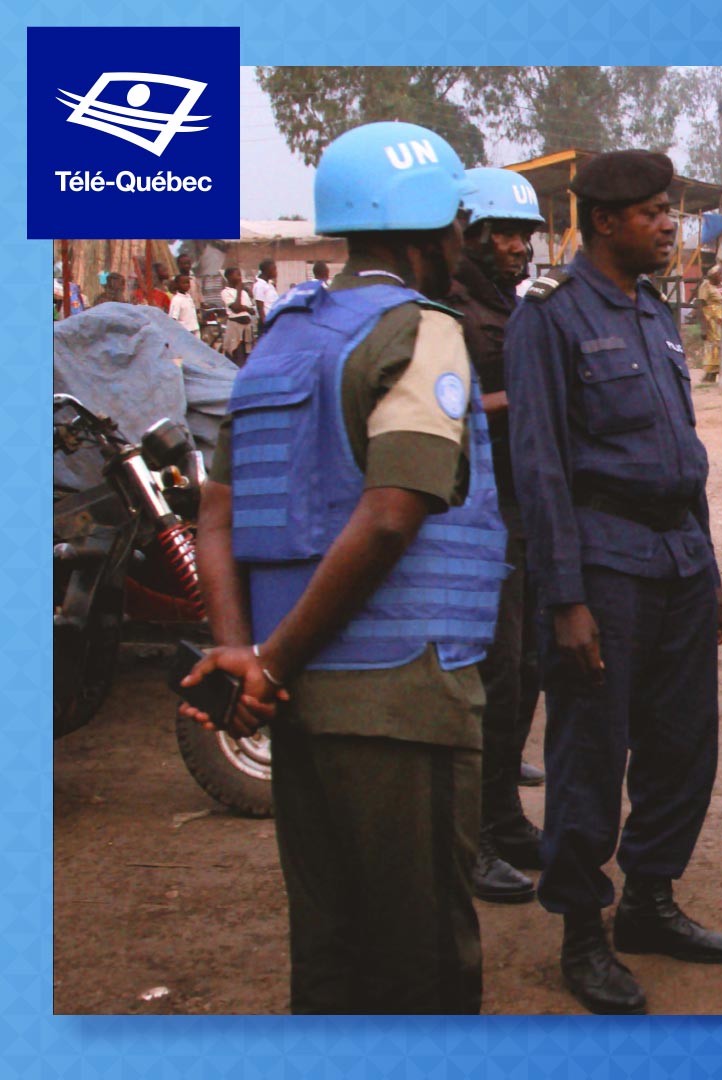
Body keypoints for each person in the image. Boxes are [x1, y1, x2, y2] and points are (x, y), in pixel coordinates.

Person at [178, 120, 500, 1013]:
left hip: (299, 704)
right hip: (400, 695)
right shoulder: (420, 331)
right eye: (457, 226)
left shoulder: (284, 336)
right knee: (421, 961)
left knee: (328, 954)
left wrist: (250, 660)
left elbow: (219, 510)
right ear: (428, 228)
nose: (461, 245)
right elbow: (394, 515)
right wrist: (268, 663)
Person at [506, 149, 722, 1016]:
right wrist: (564, 599)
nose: (668, 226)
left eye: (668, 211)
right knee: (590, 754)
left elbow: (685, 454)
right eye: (651, 213)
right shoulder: (552, 317)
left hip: (677, 558)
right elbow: (540, 466)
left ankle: (649, 901)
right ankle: (581, 933)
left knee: (684, 744)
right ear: (604, 222)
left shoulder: (652, 310)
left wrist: (710, 570)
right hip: (602, 565)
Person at [444, 166, 550, 906]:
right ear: (470, 235)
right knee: (494, 677)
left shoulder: (511, 310)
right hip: (475, 516)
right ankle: (470, 839)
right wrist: (529, 398)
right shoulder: (447, 314)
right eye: (503, 234)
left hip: (525, 509)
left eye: (523, 235)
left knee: (531, 668)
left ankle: (506, 817)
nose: (516, 247)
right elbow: (440, 410)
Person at [695, 265, 722, 382]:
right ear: (714, 276)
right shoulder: (705, 285)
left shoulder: (720, 286)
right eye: (720, 275)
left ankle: (713, 373)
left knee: (719, 346)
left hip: (720, 322)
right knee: (713, 347)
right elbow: (700, 305)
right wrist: (703, 326)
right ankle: (710, 373)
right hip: (711, 321)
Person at [220, 266, 256, 362]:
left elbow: (252, 311)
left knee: (247, 355)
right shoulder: (226, 292)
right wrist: (239, 290)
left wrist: (244, 307)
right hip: (235, 328)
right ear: (229, 277)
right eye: (237, 275)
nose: (240, 277)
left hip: (247, 329)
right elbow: (235, 308)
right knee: (236, 353)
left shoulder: (244, 293)